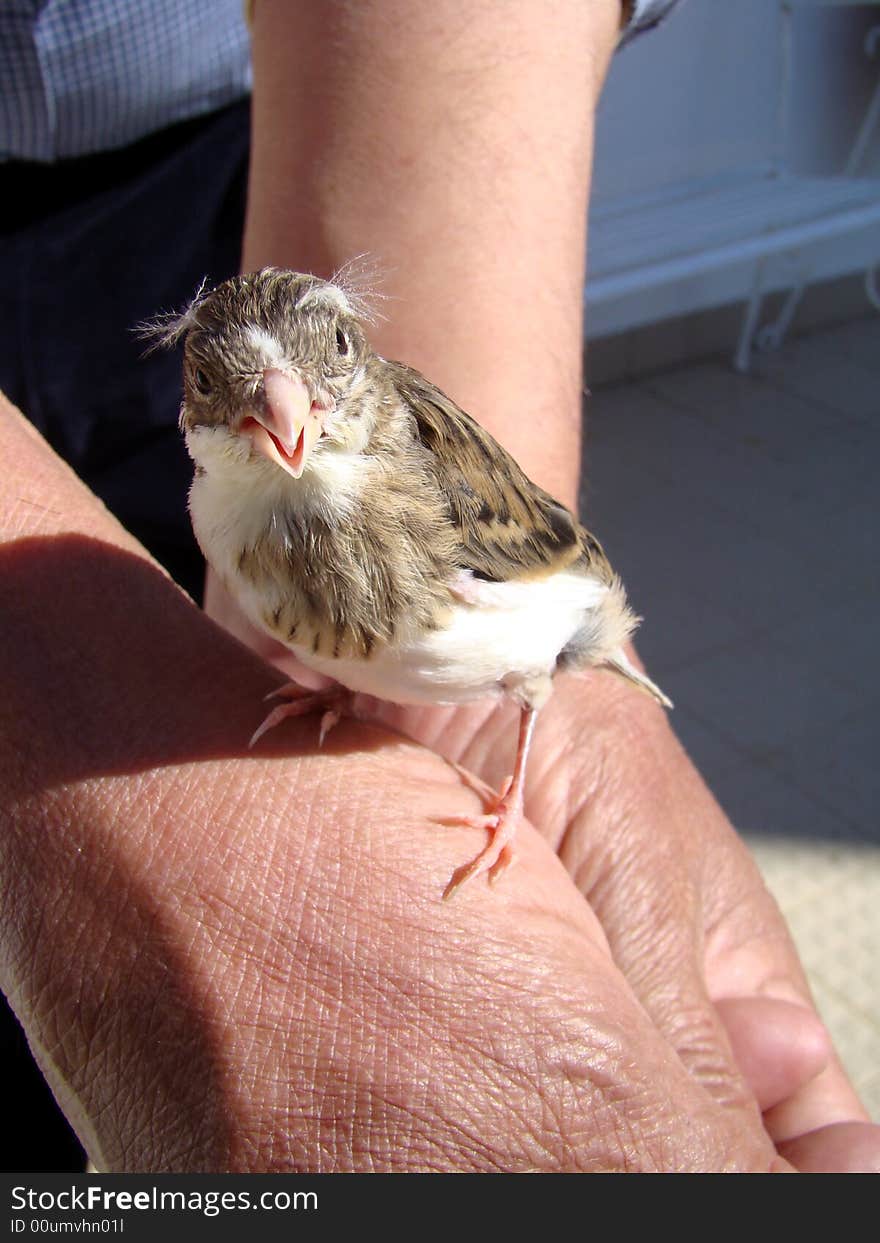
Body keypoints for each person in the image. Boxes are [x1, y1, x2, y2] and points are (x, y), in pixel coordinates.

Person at [1, 0, 878, 1173]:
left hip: (229, 137)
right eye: (237, 401)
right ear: (204, 420)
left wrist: (522, 781)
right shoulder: (229, 504)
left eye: (324, 382)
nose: (285, 423)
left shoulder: (427, 502)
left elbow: (566, 571)